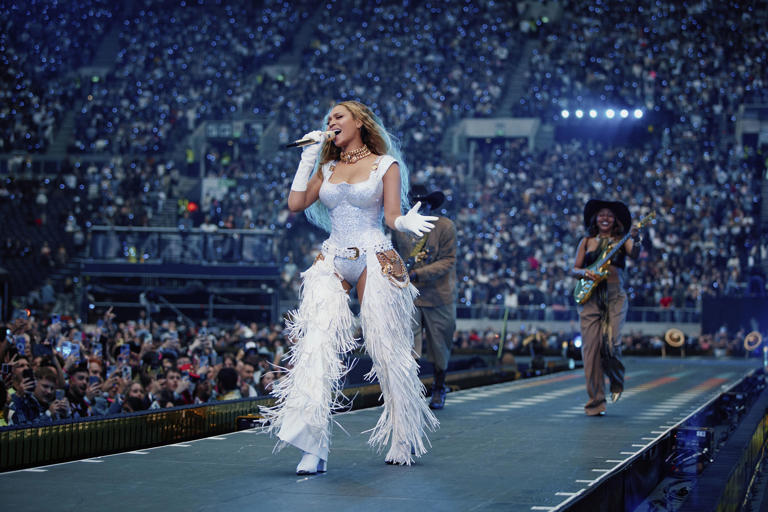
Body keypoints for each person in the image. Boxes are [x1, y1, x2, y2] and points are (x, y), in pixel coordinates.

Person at [261, 100, 439, 475]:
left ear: (359, 122)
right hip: (332, 256)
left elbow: (390, 216)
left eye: (338, 116)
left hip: (375, 255)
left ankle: (403, 435)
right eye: (328, 118)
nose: (331, 122)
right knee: (316, 345)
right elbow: (295, 203)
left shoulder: (384, 164)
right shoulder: (326, 167)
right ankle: (313, 446)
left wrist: (404, 223)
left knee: (386, 347)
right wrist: (308, 156)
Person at [572, 199, 642, 416]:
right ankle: (595, 402)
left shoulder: (622, 241)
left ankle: (617, 380)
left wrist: (636, 238)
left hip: (614, 296)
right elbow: (574, 268)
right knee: (591, 351)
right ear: (595, 219)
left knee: (612, 344)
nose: (604, 218)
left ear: (616, 221)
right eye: (601, 214)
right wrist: (585, 273)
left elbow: (635, 254)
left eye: (609, 215)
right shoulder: (586, 241)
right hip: (591, 298)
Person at [392, 185, 457, 410]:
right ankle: (410, 390)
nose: (420, 207)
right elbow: (393, 254)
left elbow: (448, 260)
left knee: (440, 346)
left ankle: (439, 387)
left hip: (439, 296)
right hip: (409, 295)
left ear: (431, 205)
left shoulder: (445, 227)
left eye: (425, 203)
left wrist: (419, 272)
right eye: (416, 203)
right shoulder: (400, 228)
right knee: (408, 346)